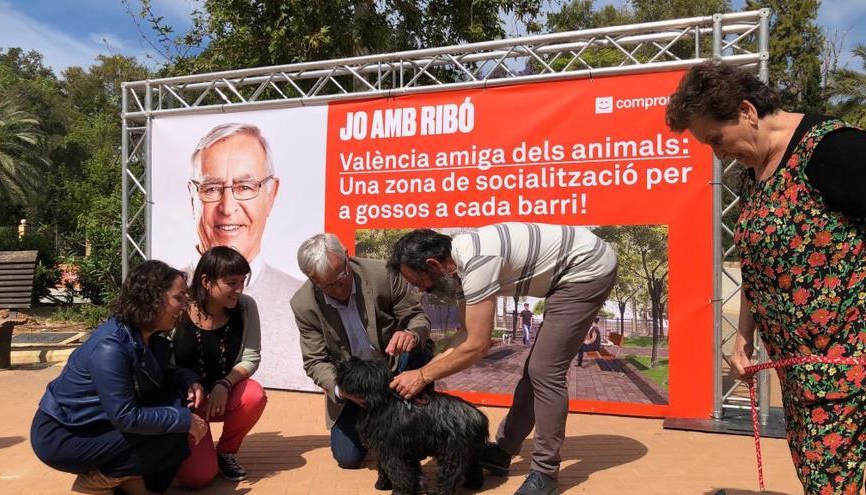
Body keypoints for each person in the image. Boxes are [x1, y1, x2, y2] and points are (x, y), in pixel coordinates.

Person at [666, 60, 866, 495]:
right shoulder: (754, 175)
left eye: (716, 140)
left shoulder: (834, 150)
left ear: (746, 111)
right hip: (802, 377)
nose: (717, 155)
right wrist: (743, 337)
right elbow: (760, 269)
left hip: (848, 369)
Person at [388, 222, 617, 495]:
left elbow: (477, 346)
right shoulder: (456, 269)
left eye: (418, 282)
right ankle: (503, 451)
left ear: (433, 265)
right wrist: (424, 369)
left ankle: (545, 473)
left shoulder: (477, 262)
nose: (421, 291)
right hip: (565, 273)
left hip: (587, 269)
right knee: (536, 371)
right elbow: (465, 334)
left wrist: (422, 376)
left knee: (545, 372)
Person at [30, 260, 207, 495]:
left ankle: (127, 477)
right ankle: (98, 480)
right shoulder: (110, 347)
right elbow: (125, 416)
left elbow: (160, 374)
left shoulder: (148, 336)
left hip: (97, 424)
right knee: (174, 428)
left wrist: (188, 379)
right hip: (64, 434)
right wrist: (184, 419)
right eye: (178, 298)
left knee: (176, 409)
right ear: (152, 297)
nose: (183, 306)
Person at [290, 233, 434, 469]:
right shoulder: (303, 304)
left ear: (347, 257)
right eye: (328, 285)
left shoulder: (383, 274)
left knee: (419, 350)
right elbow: (315, 361)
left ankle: (418, 417)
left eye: (342, 275)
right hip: (356, 384)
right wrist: (342, 390)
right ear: (312, 280)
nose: (339, 287)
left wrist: (411, 334)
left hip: (396, 366)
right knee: (348, 458)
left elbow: (417, 317)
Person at [187, 123, 310, 391]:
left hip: (230, 394)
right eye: (211, 189)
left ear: (271, 194)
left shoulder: (300, 298)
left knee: (251, 396)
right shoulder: (172, 291)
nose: (228, 207)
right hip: (183, 402)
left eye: (244, 187)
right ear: (192, 196)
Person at [172, 246, 268, 488]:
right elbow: (164, 362)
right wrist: (187, 386)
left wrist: (225, 384)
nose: (239, 289)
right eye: (231, 282)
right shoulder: (179, 309)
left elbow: (251, 357)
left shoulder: (246, 307)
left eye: (243, 281)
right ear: (206, 281)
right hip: (185, 401)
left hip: (222, 395)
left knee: (254, 396)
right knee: (198, 478)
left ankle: (226, 451)